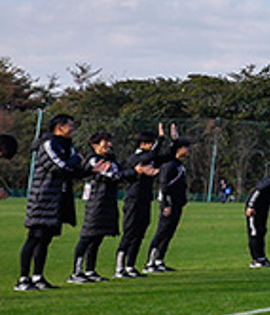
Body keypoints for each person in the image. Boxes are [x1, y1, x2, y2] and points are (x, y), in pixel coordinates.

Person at [19, 115, 85, 291]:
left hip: (58, 200)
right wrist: (77, 160)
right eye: (70, 126)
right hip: (43, 198)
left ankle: (38, 276)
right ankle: (23, 279)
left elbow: (73, 170)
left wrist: (89, 170)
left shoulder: (67, 146)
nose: (73, 129)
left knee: (46, 239)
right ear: (59, 127)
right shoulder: (48, 144)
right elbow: (59, 166)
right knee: (34, 237)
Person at [69, 131, 122, 283]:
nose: (109, 145)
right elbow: (111, 175)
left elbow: (121, 172)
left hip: (108, 200)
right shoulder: (93, 159)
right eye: (105, 142)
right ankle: (76, 272)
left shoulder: (110, 159)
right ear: (95, 145)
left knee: (98, 237)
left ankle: (90, 270)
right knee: (87, 236)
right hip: (96, 200)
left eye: (109, 142)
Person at [114, 127, 165, 279]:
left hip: (145, 200)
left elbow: (167, 156)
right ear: (143, 144)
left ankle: (130, 265)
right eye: (152, 143)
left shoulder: (149, 157)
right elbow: (151, 156)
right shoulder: (135, 158)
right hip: (133, 200)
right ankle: (119, 267)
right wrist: (161, 139)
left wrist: (174, 141)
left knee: (140, 233)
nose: (154, 146)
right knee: (129, 232)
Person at [144, 135, 191, 273]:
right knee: (161, 232)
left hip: (177, 204)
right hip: (169, 204)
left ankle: (160, 260)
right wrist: (166, 204)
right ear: (179, 149)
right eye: (186, 147)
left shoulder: (179, 165)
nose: (188, 150)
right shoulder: (170, 165)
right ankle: (150, 263)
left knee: (169, 233)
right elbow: (164, 186)